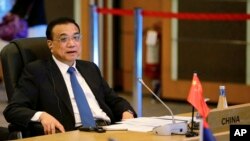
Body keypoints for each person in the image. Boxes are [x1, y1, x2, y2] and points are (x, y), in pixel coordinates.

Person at [3, 17, 136, 135]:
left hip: (107, 130)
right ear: (50, 44)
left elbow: (114, 101)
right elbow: (13, 110)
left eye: (76, 37)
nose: (72, 44)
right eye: (64, 39)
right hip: (72, 133)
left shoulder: (90, 68)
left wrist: (126, 112)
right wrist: (42, 116)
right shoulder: (37, 71)